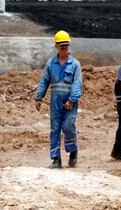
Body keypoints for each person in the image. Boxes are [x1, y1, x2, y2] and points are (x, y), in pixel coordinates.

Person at [34, 30, 82, 169]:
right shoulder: (51, 63)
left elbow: (77, 84)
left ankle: (73, 151)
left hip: (70, 102)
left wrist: (72, 100)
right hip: (55, 101)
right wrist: (39, 97)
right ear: (56, 46)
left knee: (68, 126)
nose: (64, 47)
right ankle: (56, 159)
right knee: (55, 129)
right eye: (61, 45)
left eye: (66, 44)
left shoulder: (75, 64)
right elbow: (44, 80)